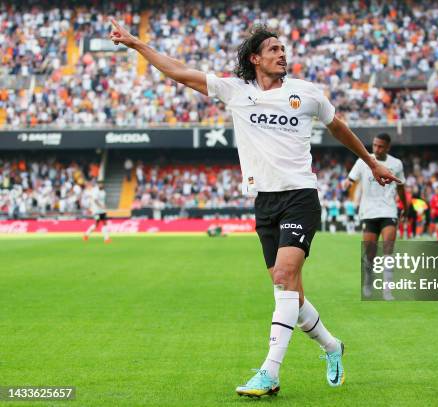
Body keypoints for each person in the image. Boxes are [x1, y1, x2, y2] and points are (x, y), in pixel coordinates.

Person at [109, 21, 400, 397]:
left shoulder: (306, 93)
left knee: (283, 277)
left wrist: (372, 162)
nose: (282, 54)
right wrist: (136, 44)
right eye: (274, 49)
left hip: (300, 196)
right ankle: (332, 347)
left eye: (283, 49)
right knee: (291, 294)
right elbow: (179, 72)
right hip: (264, 201)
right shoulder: (235, 91)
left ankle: (270, 372)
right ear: (255, 58)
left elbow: (338, 126)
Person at [345, 133, 407, 300]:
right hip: (369, 212)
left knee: (388, 249)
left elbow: (401, 188)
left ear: (388, 147)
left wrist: (406, 208)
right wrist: (347, 183)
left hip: (389, 211)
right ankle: (368, 280)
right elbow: (351, 179)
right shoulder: (363, 161)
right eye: (375, 145)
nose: (377, 149)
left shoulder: (396, 164)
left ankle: (387, 290)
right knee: (370, 252)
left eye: (380, 146)